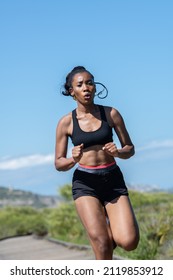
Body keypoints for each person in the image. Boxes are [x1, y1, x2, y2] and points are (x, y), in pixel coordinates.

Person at [55, 66, 139, 260]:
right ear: (71, 91)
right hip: (85, 182)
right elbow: (59, 163)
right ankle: (99, 235)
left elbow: (130, 148)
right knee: (102, 245)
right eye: (80, 84)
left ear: (94, 86)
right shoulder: (66, 123)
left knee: (129, 242)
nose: (86, 87)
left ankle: (104, 230)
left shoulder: (111, 114)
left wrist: (118, 152)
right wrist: (73, 159)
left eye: (89, 82)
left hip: (112, 180)